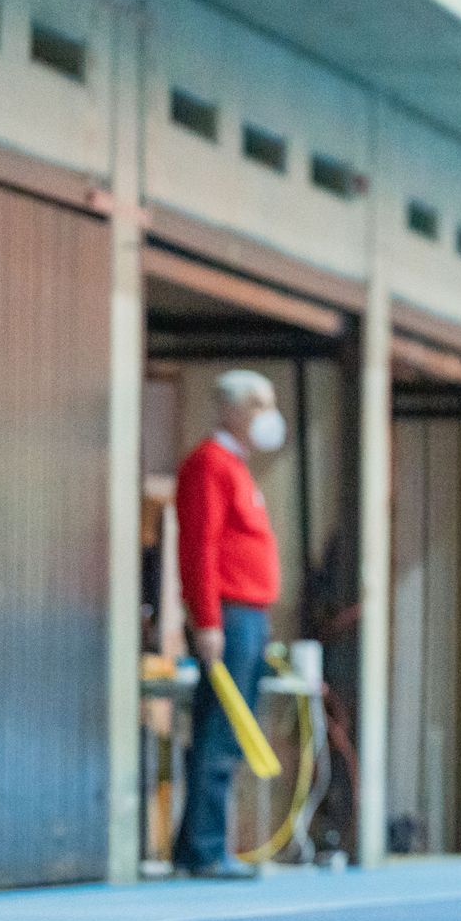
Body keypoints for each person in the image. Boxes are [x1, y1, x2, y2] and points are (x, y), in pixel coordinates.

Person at [173, 369, 286, 879]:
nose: (268, 415)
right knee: (220, 730)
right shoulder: (209, 465)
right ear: (230, 409)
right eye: (259, 404)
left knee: (227, 730)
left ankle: (198, 843)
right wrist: (208, 620)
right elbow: (198, 547)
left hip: (250, 615)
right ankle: (204, 847)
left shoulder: (236, 466)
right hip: (230, 617)